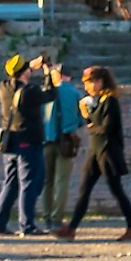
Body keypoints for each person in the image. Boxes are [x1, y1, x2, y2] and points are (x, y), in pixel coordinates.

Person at [53, 64, 131, 241]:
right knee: (85, 189)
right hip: (95, 150)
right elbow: (93, 123)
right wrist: (86, 113)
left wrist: (91, 125)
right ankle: (72, 228)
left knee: (117, 190)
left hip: (108, 151)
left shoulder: (110, 101)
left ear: (99, 82)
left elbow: (106, 128)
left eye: (89, 83)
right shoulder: (98, 101)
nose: (86, 87)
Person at [0, 53, 49, 237]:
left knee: (10, 184)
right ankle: (27, 225)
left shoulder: (3, 87)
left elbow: (17, 74)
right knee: (29, 184)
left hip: (10, 142)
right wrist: (48, 74)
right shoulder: (29, 91)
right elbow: (50, 94)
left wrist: (30, 65)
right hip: (28, 141)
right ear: (24, 73)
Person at [39, 61, 83, 227]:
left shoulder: (46, 93)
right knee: (62, 181)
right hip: (67, 140)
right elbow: (82, 118)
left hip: (47, 140)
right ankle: (57, 217)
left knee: (47, 181)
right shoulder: (75, 94)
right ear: (69, 76)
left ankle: (46, 216)